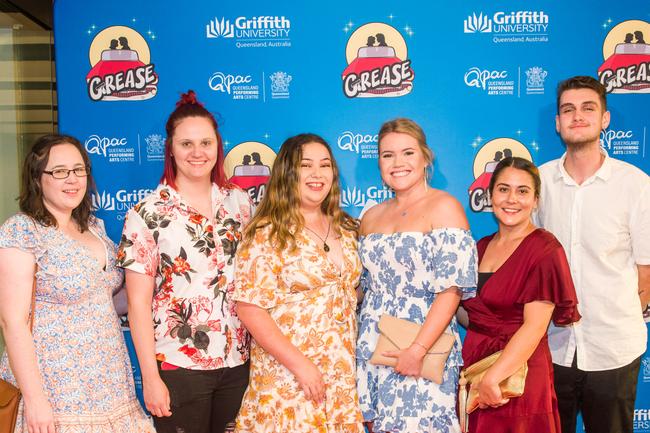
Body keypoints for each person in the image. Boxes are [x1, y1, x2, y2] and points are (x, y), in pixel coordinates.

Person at [117, 90, 253, 433]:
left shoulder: (239, 203)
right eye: (186, 144)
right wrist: (150, 377)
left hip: (239, 361)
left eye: (206, 142)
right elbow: (136, 304)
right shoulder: (146, 214)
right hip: (178, 364)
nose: (197, 152)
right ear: (171, 148)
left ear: (217, 146)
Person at [0, 134, 154, 433]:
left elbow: (103, 298)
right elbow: (12, 322)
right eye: (59, 171)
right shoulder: (23, 230)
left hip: (109, 380)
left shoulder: (94, 227)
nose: (72, 180)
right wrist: (35, 399)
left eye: (78, 169)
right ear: (37, 178)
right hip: (58, 388)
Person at [535, 76, 650, 433]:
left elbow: (645, 272)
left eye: (588, 108)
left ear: (605, 119)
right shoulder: (539, 183)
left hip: (613, 348)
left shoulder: (635, 185)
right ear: (557, 122)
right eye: (568, 110)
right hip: (553, 348)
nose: (577, 117)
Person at [232, 133, 364, 432]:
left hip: (339, 375)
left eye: (325, 165)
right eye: (306, 165)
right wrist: (301, 367)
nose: (317, 174)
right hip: (288, 377)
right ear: (288, 173)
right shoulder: (266, 233)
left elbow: (348, 292)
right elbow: (250, 308)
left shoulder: (345, 227)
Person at [356, 118, 477, 433]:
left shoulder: (445, 208)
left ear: (426, 157)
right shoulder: (369, 217)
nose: (398, 163)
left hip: (422, 343)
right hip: (372, 344)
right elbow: (361, 290)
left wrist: (418, 349)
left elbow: (451, 291)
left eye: (408, 153)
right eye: (387, 155)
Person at [460, 157, 581, 432]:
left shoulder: (545, 249)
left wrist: (494, 377)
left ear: (536, 200)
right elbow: (472, 314)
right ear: (490, 196)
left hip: (518, 377)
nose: (511, 199)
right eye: (503, 189)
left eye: (522, 191)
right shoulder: (480, 247)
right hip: (478, 368)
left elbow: (535, 326)